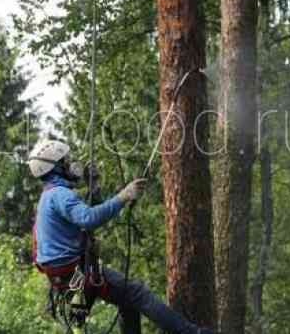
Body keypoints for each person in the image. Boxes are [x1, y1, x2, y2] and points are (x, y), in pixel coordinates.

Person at [29, 139, 213, 334]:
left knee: (128, 302)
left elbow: (85, 215)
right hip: (76, 271)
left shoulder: (49, 195)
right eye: (65, 162)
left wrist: (95, 190)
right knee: (137, 293)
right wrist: (123, 196)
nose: (71, 165)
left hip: (67, 273)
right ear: (56, 168)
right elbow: (88, 218)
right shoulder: (60, 194)